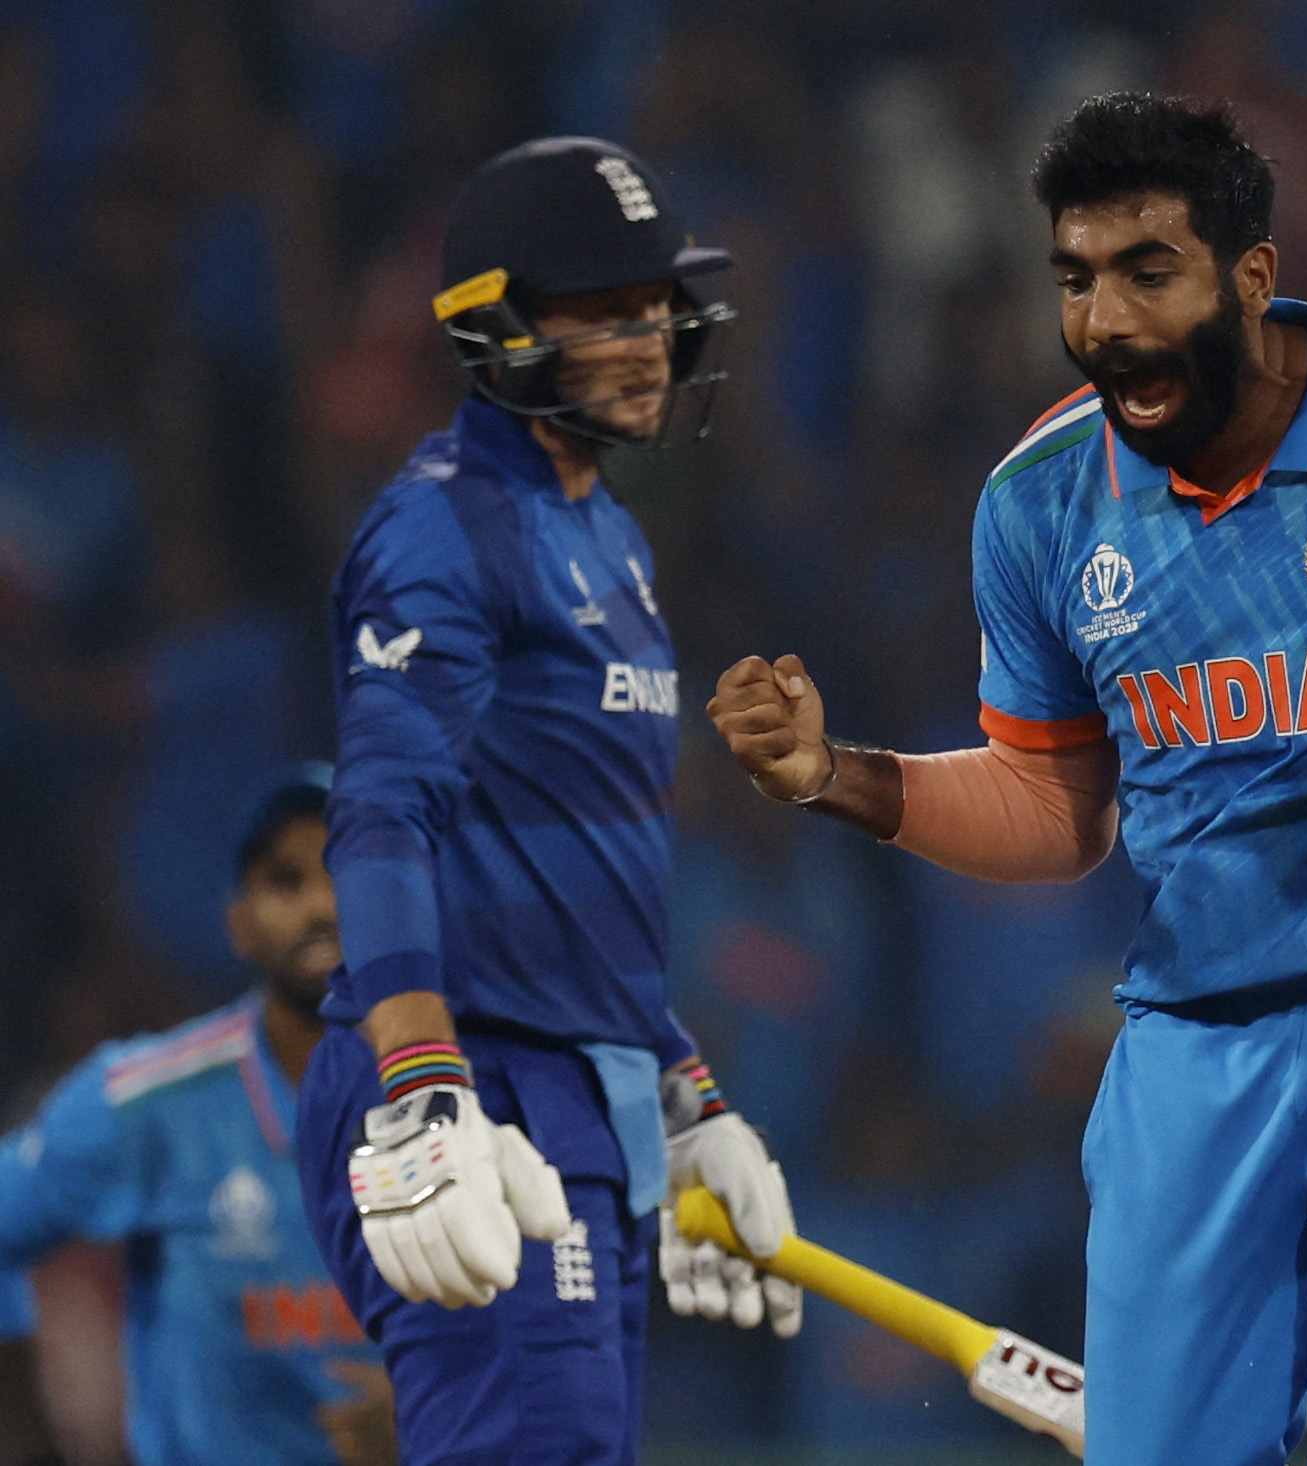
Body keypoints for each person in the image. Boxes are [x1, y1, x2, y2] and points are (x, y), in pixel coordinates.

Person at [709, 94, 1307, 1466]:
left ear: (1250, 277)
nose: (1106, 322)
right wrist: (833, 774)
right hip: (1195, 1035)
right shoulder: (1040, 502)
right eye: (1075, 278)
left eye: (1148, 271)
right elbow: (1054, 811)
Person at [294, 136, 800, 1466]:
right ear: (503, 329)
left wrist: (682, 1087)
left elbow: (570, 886)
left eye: (656, 308)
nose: (649, 341)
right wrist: (419, 1087)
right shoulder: (442, 531)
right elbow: (384, 815)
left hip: (575, 1095)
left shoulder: (610, 536)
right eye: (605, 314)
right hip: (468, 1089)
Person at [0, 765, 397, 1465]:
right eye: (285, 879)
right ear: (238, 925)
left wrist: (438, 1417)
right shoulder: (147, 1101)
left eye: (346, 874)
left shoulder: (463, 1097)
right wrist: (28, 1440)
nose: (320, 907)